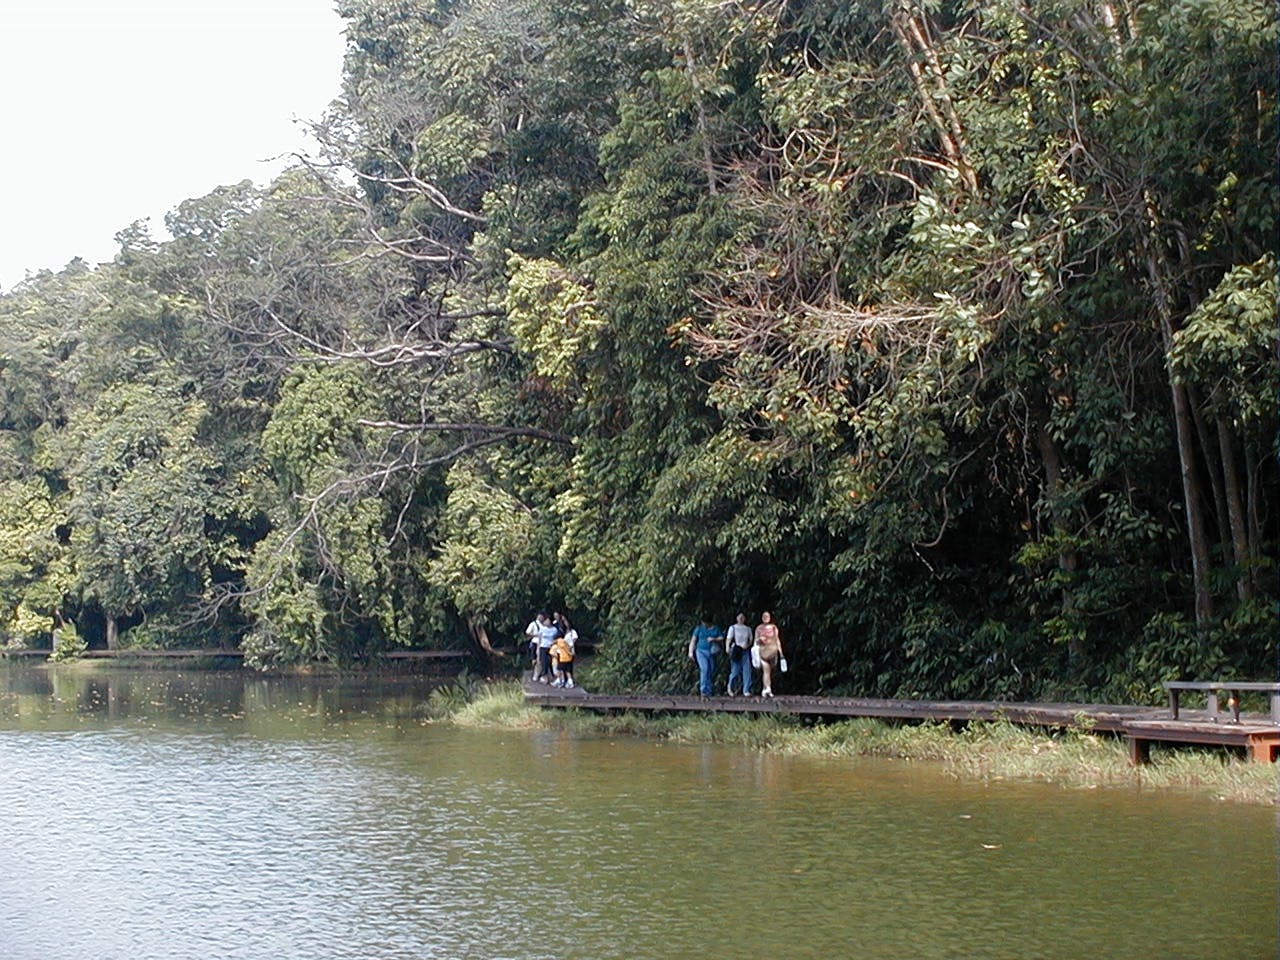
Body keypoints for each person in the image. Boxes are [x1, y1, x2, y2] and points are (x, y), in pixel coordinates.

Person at [687, 618, 724, 698]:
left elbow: (721, 638)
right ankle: (703, 691)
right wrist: (690, 652)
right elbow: (693, 640)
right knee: (704, 669)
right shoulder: (699, 629)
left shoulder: (716, 629)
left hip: (712, 652)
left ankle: (709, 690)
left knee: (711, 670)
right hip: (700, 651)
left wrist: (713, 639)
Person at [754, 611, 784, 698]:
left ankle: (766, 688)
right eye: (764, 616)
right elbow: (755, 641)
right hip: (762, 651)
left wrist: (781, 653)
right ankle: (767, 688)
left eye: (767, 616)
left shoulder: (774, 628)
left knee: (770, 671)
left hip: (772, 650)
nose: (765, 618)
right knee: (766, 670)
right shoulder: (758, 628)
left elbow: (777, 640)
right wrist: (760, 640)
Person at [724, 612, 754, 696]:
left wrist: (747, 645)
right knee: (735, 670)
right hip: (736, 650)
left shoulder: (748, 629)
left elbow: (750, 640)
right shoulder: (732, 628)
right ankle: (730, 687)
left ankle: (746, 690)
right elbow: (728, 639)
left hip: (745, 650)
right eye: (739, 616)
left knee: (747, 670)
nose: (741, 618)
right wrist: (727, 648)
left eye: (743, 617)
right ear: (736, 617)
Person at [535, 612, 558, 684]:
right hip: (543, 647)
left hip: (551, 647)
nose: (546, 622)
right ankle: (544, 676)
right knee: (543, 662)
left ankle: (553, 676)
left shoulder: (554, 629)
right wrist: (538, 649)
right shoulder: (542, 629)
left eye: (547, 620)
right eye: (545, 621)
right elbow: (539, 639)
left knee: (551, 662)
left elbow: (556, 639)